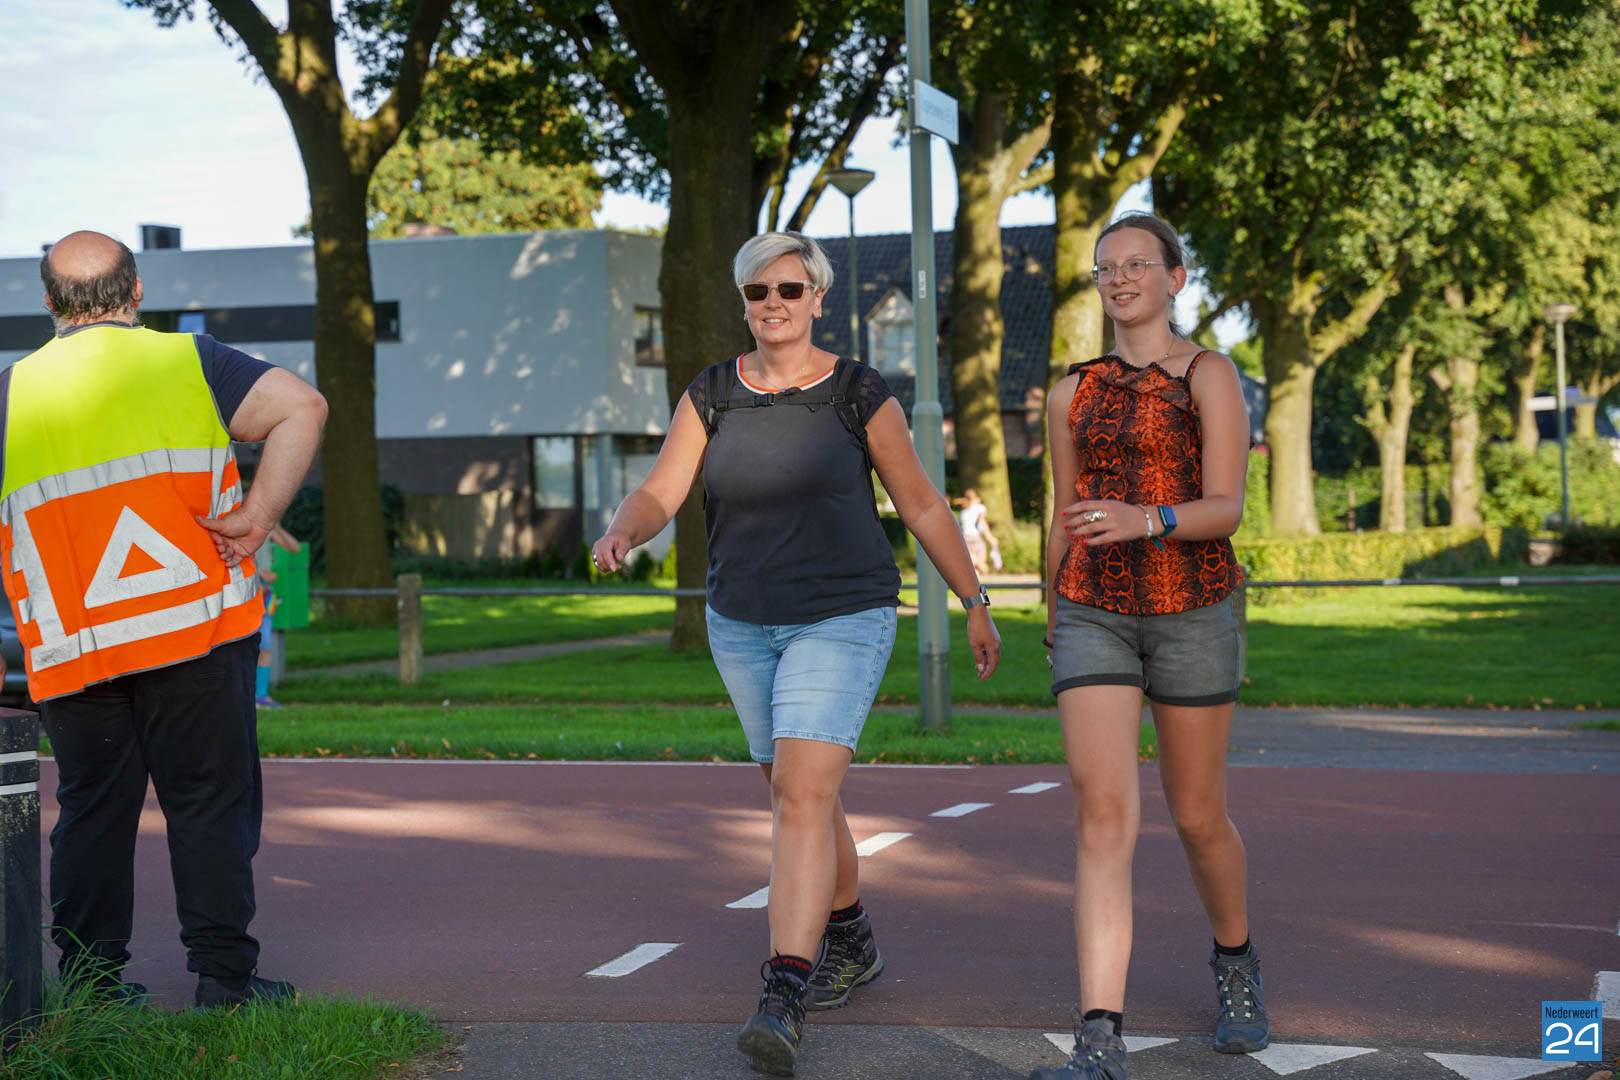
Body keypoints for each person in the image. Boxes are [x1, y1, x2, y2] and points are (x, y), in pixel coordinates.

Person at [592, 231, 1001, 1077]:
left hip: (842, 614)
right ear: (744, 303)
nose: (772, 304)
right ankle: (850, 937)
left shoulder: (858, 392)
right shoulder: (712, 392)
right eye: (758, 291)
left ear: (818, 298)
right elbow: (663, 487)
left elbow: (923, 505)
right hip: (741, 619)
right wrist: (625, 530)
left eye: (788, 289)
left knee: (801, 795)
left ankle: (784, 989)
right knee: (796, 791)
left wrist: (973, 602)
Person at [0, 231, 327, 1007]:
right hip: (197, 629)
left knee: (91, 810)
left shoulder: (10, 392)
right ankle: (224, 980)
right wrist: (257, 517)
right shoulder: (192, 362)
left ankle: (91, 987)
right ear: (137, 290)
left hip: (75, 646)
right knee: (208, 802)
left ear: (49, 303)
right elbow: (303, 408)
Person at [1030, 213, 1264, 1080]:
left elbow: (1227, 507)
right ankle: (1099, 1037)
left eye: (1137, 264)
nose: (1120, 278)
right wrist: (1049, 603)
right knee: (1102, 814)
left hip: (1193, 608)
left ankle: (1235, 961)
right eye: (1106, 268)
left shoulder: (1210, 375)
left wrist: (1147, 519)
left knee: (1197, 816)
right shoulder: (1070, 392)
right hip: (1091, 607)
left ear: (1174, 277)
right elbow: (1064, 511)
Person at [252, 523, 301, 708]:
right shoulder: (242, 524)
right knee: (247, 647)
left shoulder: (267, 528)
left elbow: (294, 548)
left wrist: (276, 527)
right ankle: (247, 695)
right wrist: (259, 572)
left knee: (265, 647)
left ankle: (261, 695)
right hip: (246, 596)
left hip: (264, 596)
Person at [955, 487, 1001, 574]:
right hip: (977, 539)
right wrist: (990, 538)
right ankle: (974, 559)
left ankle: (973, 561)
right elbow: (982, 523)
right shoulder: (979, 508)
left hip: (965, 539)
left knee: (972, 569)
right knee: (983, 567)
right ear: (978, 498)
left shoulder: (963, 511)